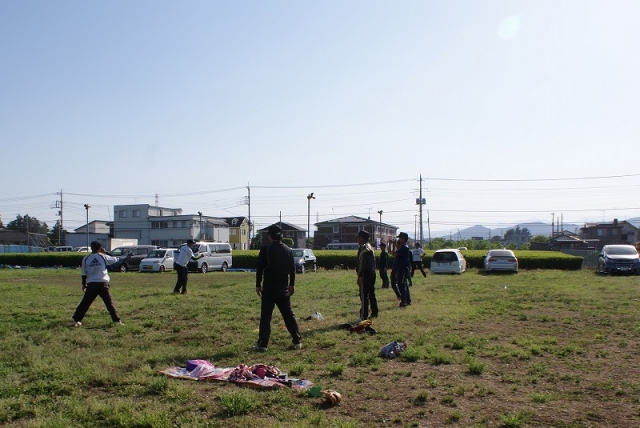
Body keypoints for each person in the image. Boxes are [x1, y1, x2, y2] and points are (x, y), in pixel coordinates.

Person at [255, 225, 302, 352]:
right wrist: (292, 284)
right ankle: (297, 340)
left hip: (269, 288)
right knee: (288, 315)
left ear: (270, 236)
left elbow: (260, 268)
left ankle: (263, 344)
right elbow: (292, 268)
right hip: (283, 288)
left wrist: (258, 284)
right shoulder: (287, 249)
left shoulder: (266, 249)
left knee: (266, 317)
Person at [71, 240, 123, 327]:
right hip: (103, 284)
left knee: (85, 303)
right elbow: (115, 259)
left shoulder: (86, 258)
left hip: (91, 284)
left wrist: (84, 284)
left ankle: (76, 320)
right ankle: (116, 321)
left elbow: (84, 273)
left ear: (91, 248)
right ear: (100, 248)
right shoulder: (103, 257)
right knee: (109, 303)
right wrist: (105, 252)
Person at [356, 230, 378, 320]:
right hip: (372, 272)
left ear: (361, 238)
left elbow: (362, 263)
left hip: (365, 274)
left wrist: (360, 275)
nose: (357, 239)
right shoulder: (370, 247)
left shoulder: (364, 248)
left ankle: (363, 316)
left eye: (358, 237)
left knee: (364, 295)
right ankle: (374, 312)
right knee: (371, 293)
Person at [394, 232, 412, 308]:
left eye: (400, 238)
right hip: (402, 268)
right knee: (403, 284)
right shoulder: (403, 247)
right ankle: (407, 300)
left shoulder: (404, 247)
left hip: (403, 268)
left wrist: (392, 246)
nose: (399, 240)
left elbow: (395, 254)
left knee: (401, 285)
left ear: (404, 239)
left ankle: (404, 302)